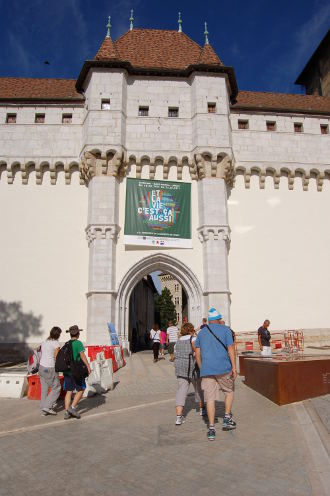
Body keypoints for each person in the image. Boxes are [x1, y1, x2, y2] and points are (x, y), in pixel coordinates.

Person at [195, 307, 237, 441]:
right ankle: (226, 417)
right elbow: (231, 350)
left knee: (210, 399)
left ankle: (212, 429)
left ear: (208, 320)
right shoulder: (226, 330)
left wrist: (202, 368)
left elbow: (197, 354)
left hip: (207, 370)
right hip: (224, 368)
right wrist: (234, 368)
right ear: (218, 319)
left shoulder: (201, 333)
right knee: (229, 391)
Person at [174, 322, 205, 425]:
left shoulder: (178, 341)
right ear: (191, 330)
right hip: (192, 367)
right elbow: (198, 353)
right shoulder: (193, 339)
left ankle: (179, 417)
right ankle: (202, 409)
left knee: (181, 390)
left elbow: (175, 355)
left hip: (180, 367)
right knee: (198, 388)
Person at [63, 325, 91, 420]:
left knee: (69, 391)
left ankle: (66, 412)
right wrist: (88, 367)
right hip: (77, 371)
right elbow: (82, 356)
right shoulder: (78, 343)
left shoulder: (66, 344)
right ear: (78, 334)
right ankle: (72, 408)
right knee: (81, 389)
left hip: (67, 371)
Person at [39, 326, 62, 416]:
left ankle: (43, 410)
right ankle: (47, 406)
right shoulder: (56, 343)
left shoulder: (44, 342)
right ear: (58, 334)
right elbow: (56, 357)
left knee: (44, 389)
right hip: (50, 368)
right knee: (56, 388)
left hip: (41, 367)